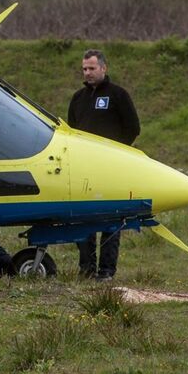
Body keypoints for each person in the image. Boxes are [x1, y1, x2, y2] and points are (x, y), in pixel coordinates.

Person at [68, 49, 141, 281]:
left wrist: (115, 153)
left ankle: (107, 271)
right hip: (84, 168)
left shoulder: (118, 95)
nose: (87, 73)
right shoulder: (78, 98)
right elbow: (71, 132)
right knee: (84, 217)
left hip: (111, 168)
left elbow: (133, 128)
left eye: (92, 68)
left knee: (111, 217)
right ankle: (87, 269)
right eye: (84, 69)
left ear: (103, 68)